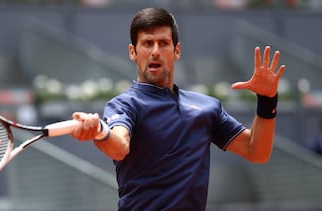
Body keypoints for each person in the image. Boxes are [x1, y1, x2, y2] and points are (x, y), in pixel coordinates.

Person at [71, 7, 286, 210]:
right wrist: (100, 132)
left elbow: (256, 150)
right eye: (147, 43)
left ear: (176, 50)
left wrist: (267, 100)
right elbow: (119, 146)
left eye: (163, 43)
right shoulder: (125, 105)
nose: (155, 51)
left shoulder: (207, 107)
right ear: (133, 52)